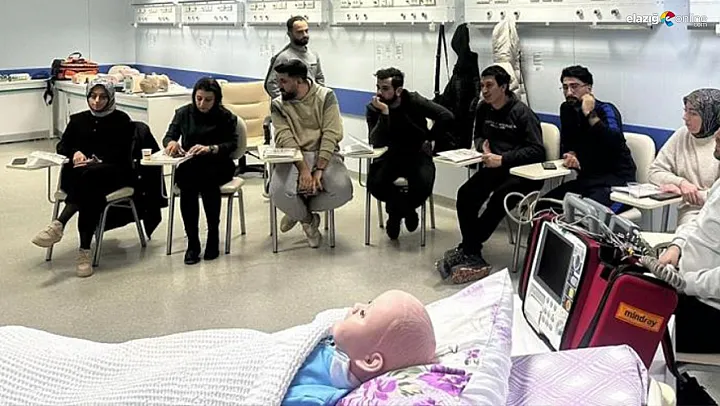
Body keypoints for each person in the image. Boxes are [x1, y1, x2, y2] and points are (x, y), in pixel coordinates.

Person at [436, 65, 545, 284]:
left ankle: (469, 249)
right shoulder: (483, 108)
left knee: (498, 199)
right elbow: (478, 135)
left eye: (489, 85)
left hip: (522, 173)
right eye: (482, 85)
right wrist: (481, 147)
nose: (484, 90)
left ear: (503, 87)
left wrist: (503, 159)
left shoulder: (522, 113)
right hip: (494, 167)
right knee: (465, 194)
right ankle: (472, 251)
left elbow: (537, 151)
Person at [31, 79, 135, 277]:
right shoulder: (78, 120)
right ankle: (84, 252)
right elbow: (62, 146)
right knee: (88, 189)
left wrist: (98, 160)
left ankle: (59, 224)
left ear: (111, 98)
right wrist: (76, 153)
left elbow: (123, 154)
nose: (96, 101)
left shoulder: (122, 120)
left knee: (90, 178)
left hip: (111, 174)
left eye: (102, 97)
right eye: (93, 96)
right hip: (82, 177)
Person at [284, 290, 437, 405]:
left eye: (363, 313)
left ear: (369, 361)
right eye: (368, 302)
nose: (357, 305)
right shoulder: (341, 346)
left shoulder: (315, 397)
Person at [269, 60, 353, 248]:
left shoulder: (326, 96)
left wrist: (319, 170)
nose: (278, 85)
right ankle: (308, 220)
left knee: (343, 190)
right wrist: (304, 170)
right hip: (293, 155)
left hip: (323, 153)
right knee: (279, 194)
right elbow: (285, 137)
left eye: (283, 81)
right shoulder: (277, 104)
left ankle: (296, 209)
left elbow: (331, 133)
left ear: (299, 81)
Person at [650, 129, 720, 355]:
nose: (716, 135)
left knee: (634, 322)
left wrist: (684, 283)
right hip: (690, 291)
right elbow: (699, 218)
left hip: (707, 308)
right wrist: (676, 246)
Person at [366, 67, 454, 240]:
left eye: (385, 88)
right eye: (378, 87)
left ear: (398, 90)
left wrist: (430, 138)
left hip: (417, 153)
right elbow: (375, 140)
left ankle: (395, 213)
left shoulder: (414, 100)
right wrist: (384, 114)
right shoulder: (374, 108)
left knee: (423, 183)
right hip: (389, 154)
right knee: (375, 184)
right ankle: (405, 211)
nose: (379, 93)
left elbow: (446, 116)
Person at [163, 78, 238, 265]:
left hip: (218, 163)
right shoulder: (183, 113)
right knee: (188, 183)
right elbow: (169, 136)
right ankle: (193, 242)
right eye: (198, 98)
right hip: (191, 163)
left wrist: (210, 148)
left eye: (208, 100)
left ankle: (213, 235)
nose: (202, 103)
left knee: (207, 180)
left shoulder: (225, 116)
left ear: (216, 99)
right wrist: (171, 144)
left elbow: (232, 144)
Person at [543, 66, 636, 209]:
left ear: (589, 88)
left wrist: (589, 113)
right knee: (543, 206)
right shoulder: (566, 109)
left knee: (585, 216)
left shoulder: (606, 109)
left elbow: (614, 141)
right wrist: (570, 154)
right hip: (587, 180)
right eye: (565, 87)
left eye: (574, 86)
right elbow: (568, 142)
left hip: (615, 183)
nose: (569, 92)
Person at [648, 88, 720, 226]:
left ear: (711, 115)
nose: (685, 117)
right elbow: (654, 172)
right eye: (685, 111)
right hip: (691, 212)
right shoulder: (682, 135)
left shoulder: (718, 142)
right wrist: (681, 183)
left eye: (693, 113)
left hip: (715, 211)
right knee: (687, 234)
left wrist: (695, 195)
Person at [264, 16, 325, 99]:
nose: (305, 35)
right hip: (292, 104)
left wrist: (319, 99)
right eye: (300, 32)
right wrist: (287, 102)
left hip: (311, 103)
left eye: (306, 31)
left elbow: (319, 78)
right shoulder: (284, 57)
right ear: (289, 34)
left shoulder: (313, 55)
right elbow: (271, 84)